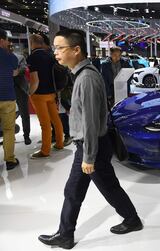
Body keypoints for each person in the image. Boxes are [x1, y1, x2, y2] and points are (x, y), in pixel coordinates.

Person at [38, 29, 142, 249]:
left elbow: (91, 123)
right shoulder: (83, 74)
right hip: (87, 146)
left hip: (91, 146)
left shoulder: (86, 78)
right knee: (74, 191)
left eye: (59, 48)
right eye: (54, 47)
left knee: (107, 187)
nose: (55, 52)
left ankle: (132, 220)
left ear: (76, 50)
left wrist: (89, 156)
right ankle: (65, 235)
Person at [27, 34, 64, 158]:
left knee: (45, 124)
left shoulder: (32, 57)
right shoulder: (50, 56)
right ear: (42, 43)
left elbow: (34, 80)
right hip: (51, 93)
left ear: (32, 43)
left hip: (39, 95)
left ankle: (45, 151)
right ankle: (59, 143)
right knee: (55, 119)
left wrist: (29, 93)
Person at [0, 28, 19, 170]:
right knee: (8, 130)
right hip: (8, 97)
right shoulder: (11, 57)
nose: (8, 43)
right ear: (2, 40)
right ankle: (10, 160)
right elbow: (14, 73)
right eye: (6, 40)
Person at [9, 42, 31, 145]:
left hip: (20, 88)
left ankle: (26, 136)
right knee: (7, 114)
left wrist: (15, 71)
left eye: (10, 47)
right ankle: (10, 137)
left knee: (24, 113)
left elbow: (23, 68)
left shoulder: (20, 57)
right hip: (7, 89)